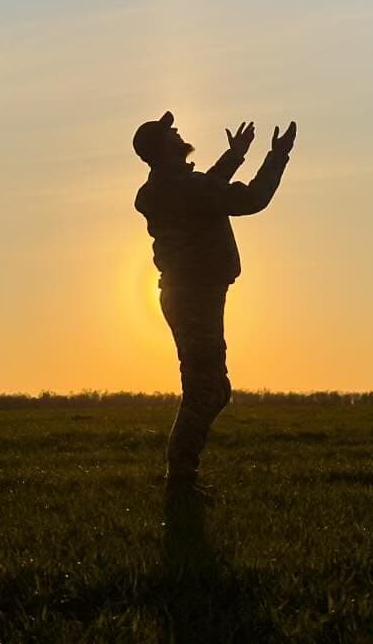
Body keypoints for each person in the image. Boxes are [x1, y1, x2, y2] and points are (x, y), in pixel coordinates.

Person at [133, 110, 296, 493]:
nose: (178, 132)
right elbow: (252, 199)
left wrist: (236, 155)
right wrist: (278, 156)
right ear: (163, 148)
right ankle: (181, 479)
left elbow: (204, 192)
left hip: (187, 295)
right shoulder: (187, 189)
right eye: (170, 132)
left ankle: (183, 476)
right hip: (196, 298)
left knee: (213, 389)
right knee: (206, 391)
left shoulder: (165, 189)